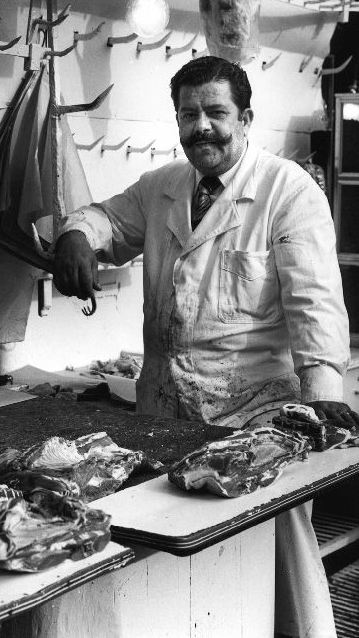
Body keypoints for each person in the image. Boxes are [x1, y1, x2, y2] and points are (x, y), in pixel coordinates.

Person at [53, 56, 359, 637]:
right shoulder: (161, 187)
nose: (202, 127)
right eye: (188, 114)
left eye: (216, 112)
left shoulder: (287, 192)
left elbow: (315, 305)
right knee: (167, 571)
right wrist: (76, 235)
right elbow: (103, 221)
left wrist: (321, 402)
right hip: (165, 413)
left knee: (277, 572)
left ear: (245, 117)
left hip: (256, 419)